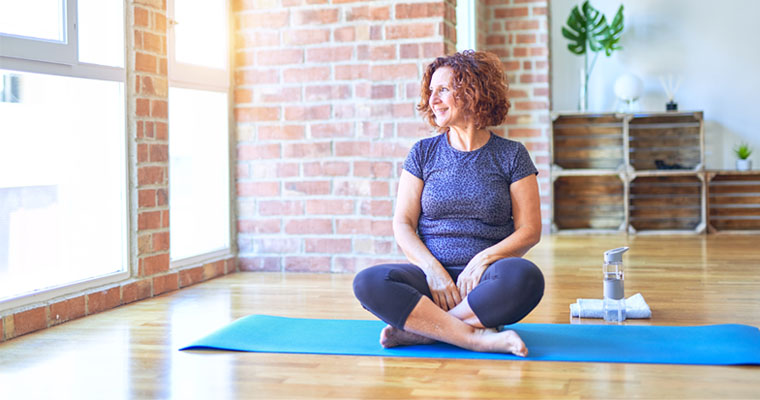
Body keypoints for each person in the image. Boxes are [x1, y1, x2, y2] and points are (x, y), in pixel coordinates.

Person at [352, 50, 544, 356]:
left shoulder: (512, 155)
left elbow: (529, 230)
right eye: (430, 92)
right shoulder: (423, 153)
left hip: (486, 282)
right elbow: (402, 223)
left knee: (526, 277)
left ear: (472, 91)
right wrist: (433, 270)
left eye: (442, 90)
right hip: (430, 280)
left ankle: (425, 331)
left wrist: (481, 261)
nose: (432, 100)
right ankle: (474, 337)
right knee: (369, 281)